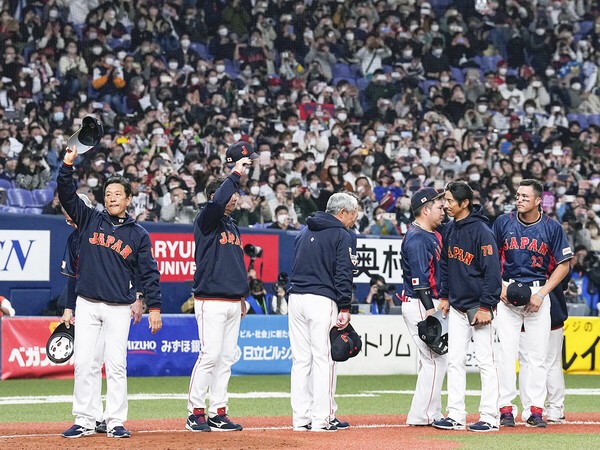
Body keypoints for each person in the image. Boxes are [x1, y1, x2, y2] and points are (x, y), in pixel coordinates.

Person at [58, 147, 162, 439]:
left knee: (116, 365)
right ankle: (85, 419)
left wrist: (153, 306)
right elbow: (66, 193)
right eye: (108, 194)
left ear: (129, 199)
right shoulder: (90, 219)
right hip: (88, 303)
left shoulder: (138, 234)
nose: (111, 197)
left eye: (118, 194)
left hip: (119, 307)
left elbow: (149, 273)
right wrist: (67, 164)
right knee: (83, 364)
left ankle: (115, 420)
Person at [186, 142, 257, 433]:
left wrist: (242, 297)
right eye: (231, 193)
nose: (236, 198)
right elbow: (217, 203)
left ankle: (218, 411)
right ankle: (195, 412)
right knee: (210, 355)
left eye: (237, 194)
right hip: (210, 299)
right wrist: (236, 174)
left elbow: (236, 265)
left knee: (227, 357)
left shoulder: (231, 225)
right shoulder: (207, 219)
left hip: (232, 299)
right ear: (216, 196)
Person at [491, 179, 573, 428]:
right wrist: (501, 287)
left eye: (525, 196)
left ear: (538, 201)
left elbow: (564, 263)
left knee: (537, 356)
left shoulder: (552, 227)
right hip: (508, 291)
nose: (520, 200)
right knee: (506, 355)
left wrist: (543, 293)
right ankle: (505, 408)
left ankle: (534, 409)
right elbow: (489, 257)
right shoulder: (503, 222)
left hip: (538, 292)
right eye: (518, 195)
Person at [434, 181, 501, 432]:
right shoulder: (450, 229)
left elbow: (493, 271)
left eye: (450, 201)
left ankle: (490, 416)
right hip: (457, 306)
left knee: (485, 361)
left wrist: (486, 305)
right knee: (455, 361)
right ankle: (456, 414)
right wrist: (444, 295)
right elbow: (446, 265)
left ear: (464, 204)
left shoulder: (482, 231)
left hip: (478, 306)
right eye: (446, 200)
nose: (446, 205)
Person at [288, 192, 358, 432]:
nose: (354, 218)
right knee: (324, 359)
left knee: (301, 361)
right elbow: (343, 272)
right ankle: (322, 418)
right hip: (321, 299)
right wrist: (345, 306)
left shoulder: (304, 230)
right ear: (342, 213)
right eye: (353, 213)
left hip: (295, 297)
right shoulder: (341, 234)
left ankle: (301, 418)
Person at [400, 188, 447, 426]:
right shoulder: (418, 237)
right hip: (421, 302)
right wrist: (430, 309)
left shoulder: (432, 233)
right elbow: (419, 279)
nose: (444, 210)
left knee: (433, 360)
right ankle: (424, 415)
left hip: (426, 301)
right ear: (426, 209)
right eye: (439, 206)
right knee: (434, 359)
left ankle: (429, 412)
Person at [519, 272, 570, 424]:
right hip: (551, 304)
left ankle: (530, 408)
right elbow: (565, 277)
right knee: (551, 362)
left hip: (525, 306)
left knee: (527, 361)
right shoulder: (556, 249)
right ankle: (555, 408)